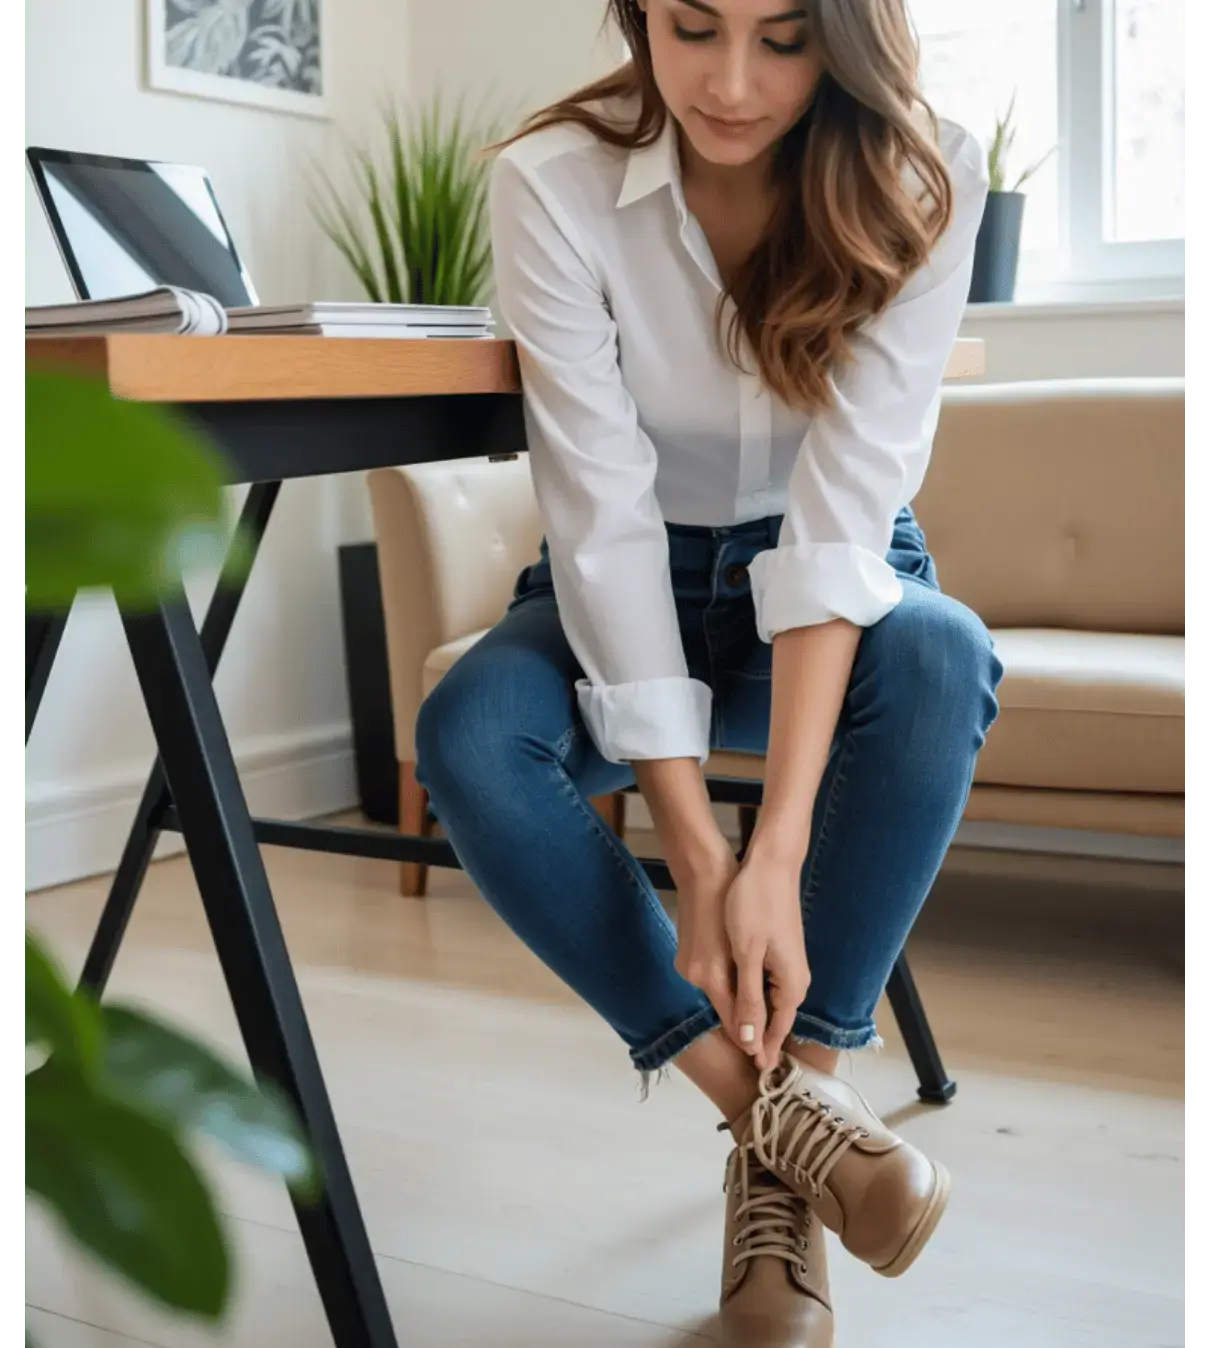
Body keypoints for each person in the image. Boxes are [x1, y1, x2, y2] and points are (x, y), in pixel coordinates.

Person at [415, 2, 1003, 1343]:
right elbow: (600, 514)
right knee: (468, 732)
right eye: (689, 28)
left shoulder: (925, 171)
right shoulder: (548, 181)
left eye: (784, 39)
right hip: (629, 572)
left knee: (939, 655)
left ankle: (783, 1160)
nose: (729, 82)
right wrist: (694, 847)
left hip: (833, 573)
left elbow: (842, 519)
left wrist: (773, 852)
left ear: (843, 39)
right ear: (633, 18)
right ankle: (788, 1133)